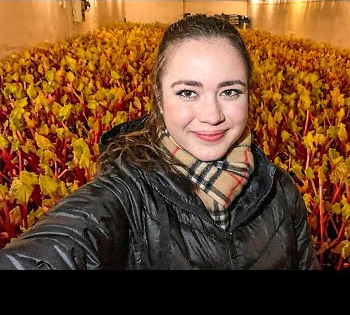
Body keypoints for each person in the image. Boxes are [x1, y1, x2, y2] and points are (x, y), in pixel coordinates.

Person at [0, 14, 320, 270]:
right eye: (187, 92)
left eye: (230, 91)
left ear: (249, 94)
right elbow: (62, 243)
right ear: (159, 98)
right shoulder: (125, 194)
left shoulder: (280, 189)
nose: (211, 114)